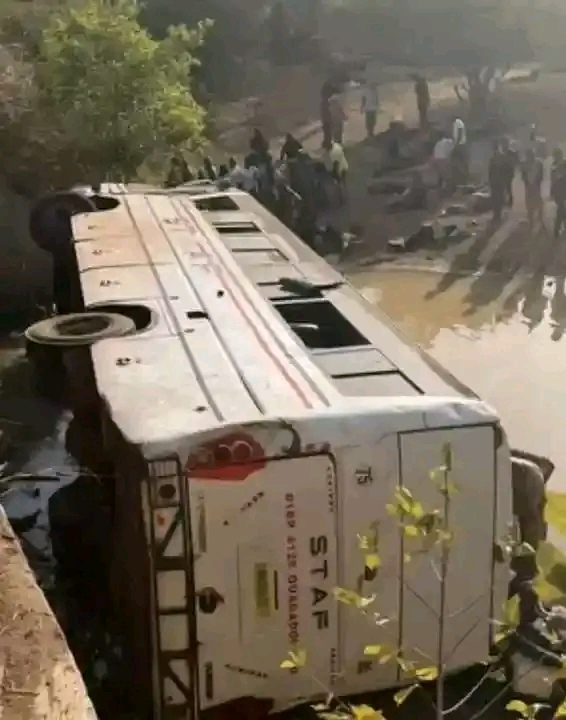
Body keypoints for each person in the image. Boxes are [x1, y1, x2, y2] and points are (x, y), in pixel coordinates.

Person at [521, 149, 545, 230]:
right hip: (529, 185)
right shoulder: (525, 164)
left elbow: (541, 174)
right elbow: (523, 175)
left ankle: (540, 217)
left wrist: (538, 182)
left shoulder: (538, 163)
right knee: (529, 202)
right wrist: (526, 183)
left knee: (538, 200)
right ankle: (531, 219)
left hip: (536, 184)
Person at [488, 142, 508, 223]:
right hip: (497, 181)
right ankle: (497, 214)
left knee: (497, 198)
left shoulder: (494, 159)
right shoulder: (500, 158)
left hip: (497, 181)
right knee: (497, 198)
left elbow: (505, 170)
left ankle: (497, 214)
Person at [500, 137, 519, 208]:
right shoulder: (502, 153)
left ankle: (510, 200)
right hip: (503, 172)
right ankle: (505, 200)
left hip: (509, 172)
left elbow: (516, 162)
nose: (503, 145)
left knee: (508, 187)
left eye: (505, 143)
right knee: (503, 187)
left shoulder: (511, 153)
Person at [551, 158, 566, 239]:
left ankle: (556, 231)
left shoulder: (559, 173)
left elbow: (554, 185)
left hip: (560, 196)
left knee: (561, 212)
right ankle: (556, 231)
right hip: (560, 196)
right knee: (561, 211)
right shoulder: (559, 175)